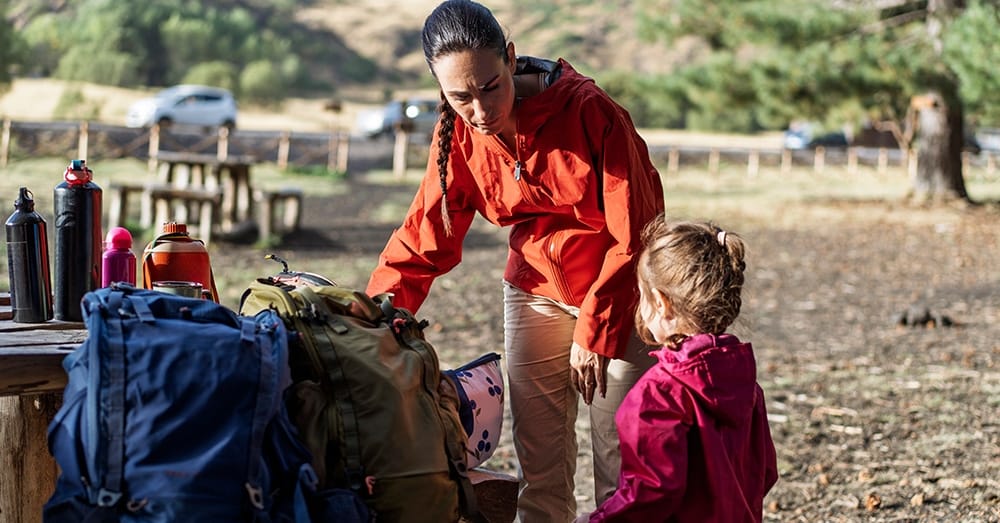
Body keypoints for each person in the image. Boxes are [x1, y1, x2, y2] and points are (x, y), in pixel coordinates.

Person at [365, 0, 665, 521]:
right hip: (533, 292)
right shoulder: (458, 134)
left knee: (623, 461)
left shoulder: (591, 112)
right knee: (539, 468)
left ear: (510, 57)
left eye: (491, 87)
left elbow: (638, 231)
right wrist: (370, 319)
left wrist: (596, 329)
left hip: (619, 294)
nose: (481, 112)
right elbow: (423, 238)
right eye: (461, 97)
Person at [577, 216, 778, 522]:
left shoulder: (658, 394)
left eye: (641, 295)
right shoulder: (745, 383)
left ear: (661, 303)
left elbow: (649, 492)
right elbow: (765, 472)